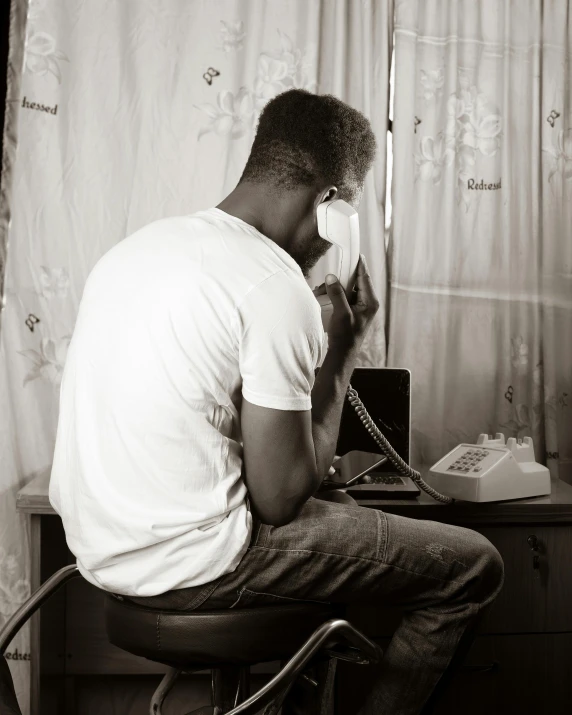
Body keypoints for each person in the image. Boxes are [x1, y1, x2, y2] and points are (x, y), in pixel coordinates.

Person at [49, 89, 504, 714]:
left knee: (338, 510)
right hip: (199, 565)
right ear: (330, 201)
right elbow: (281, 497)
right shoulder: (271, 283)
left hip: (106, 556)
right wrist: (342, 348)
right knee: (473, 566)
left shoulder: (138, 251)